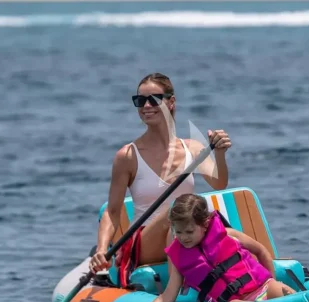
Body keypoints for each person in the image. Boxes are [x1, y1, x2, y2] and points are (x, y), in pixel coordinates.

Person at [88, 73, 232, 287]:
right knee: (177, 210)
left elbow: (219, 184)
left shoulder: (193, 148)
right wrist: (101, 249)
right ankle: (177, 291)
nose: (146, 106)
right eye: (140, 101)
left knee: (211, 221)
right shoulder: (127, 156)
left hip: (185, 232)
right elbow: (113, 211)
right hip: (144, 243)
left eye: (154, 99)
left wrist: (219, 153)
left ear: (171, 102)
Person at [125, 193, 296, 302]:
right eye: (178, 232)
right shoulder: (179, 259)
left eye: (189, 232)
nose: (183, 238)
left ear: (205, 224)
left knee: (278, 289)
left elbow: (261, 251)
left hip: (262, 288)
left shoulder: (229, 235)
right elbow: (168, 296)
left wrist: (271, 280)